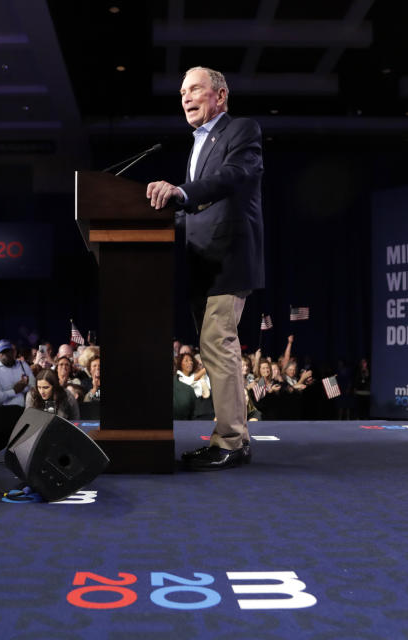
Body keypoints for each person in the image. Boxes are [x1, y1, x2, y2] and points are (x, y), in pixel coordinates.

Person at [147, 66, 264, 470]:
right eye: (182, 91)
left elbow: (233, 177)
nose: (186, 96)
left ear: (221, 95)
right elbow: (196, 207)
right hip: (202, 263)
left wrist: (180, 192)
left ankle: (230, 441)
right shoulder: (198, 143)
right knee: (215, 350)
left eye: (195, 88)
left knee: (218, 345)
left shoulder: (241, 130)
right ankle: (236, 438)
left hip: (228, 257)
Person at [0, 339, 32, 407]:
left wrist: (26, 386)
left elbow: (31, 389)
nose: (6, 355)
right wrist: (13, 391)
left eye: (8, 351)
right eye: (3, 352)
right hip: (2, 414)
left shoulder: (22, 366)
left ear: (13, 352)